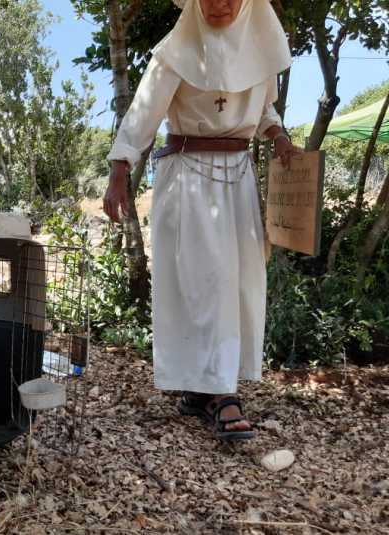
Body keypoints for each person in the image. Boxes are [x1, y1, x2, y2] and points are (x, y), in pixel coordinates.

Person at [103, 0, 302, 441]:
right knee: (202, 281)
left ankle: (205, 386)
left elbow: (265, 108)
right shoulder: (176, 50)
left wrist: (280, 137)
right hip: (189, 177)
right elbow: (143, 114)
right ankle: (220, 394)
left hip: (239, 179)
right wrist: (120, 170)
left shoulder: (259, 45)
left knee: (237, 280)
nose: (220, 4)